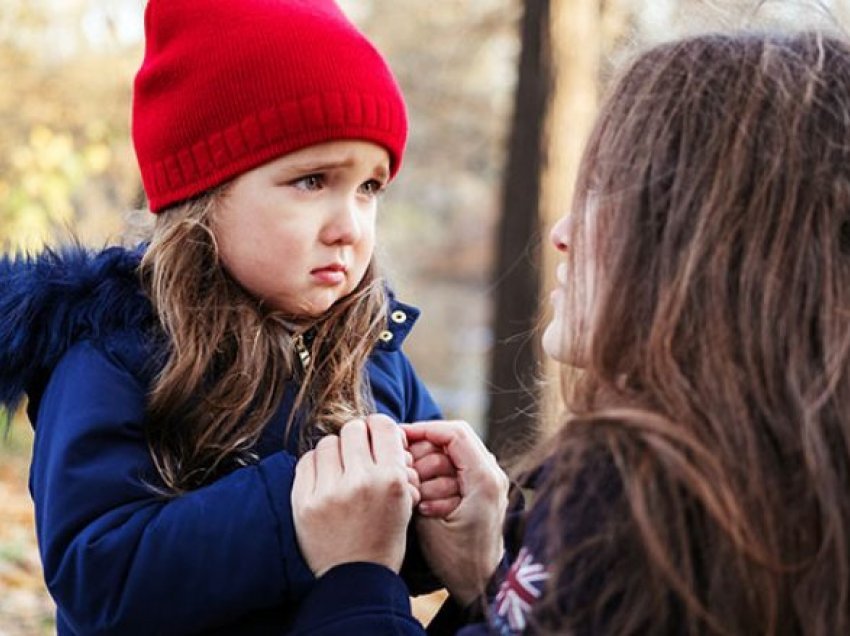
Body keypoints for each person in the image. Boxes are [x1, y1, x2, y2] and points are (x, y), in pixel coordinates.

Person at [285, 30, 850, 635]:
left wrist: (356, 576)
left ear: (713, 245)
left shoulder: (641, 506)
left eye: (612, 192)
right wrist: (490, 577)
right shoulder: (777, 489)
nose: (561, 231)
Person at [0, 0, 453, 633]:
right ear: (204, 193)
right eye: (312, 180)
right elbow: (97, 579)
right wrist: (293, 518)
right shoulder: (115, 356)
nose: (349, 227)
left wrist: (441, 508)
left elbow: (395, 557)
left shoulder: (373, 352)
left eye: (369, 187)